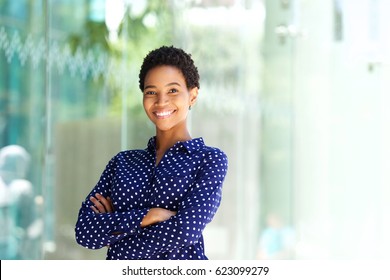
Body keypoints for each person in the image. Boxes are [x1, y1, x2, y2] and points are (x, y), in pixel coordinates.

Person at [75, 46, 228, 260]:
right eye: (151, 92)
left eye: (173, 90)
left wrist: (115, 229)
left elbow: (185, 231)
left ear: (192, 95)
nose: (161, 101)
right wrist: (147, 217)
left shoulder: (209, 160)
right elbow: (85, 232)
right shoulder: (122, 163)